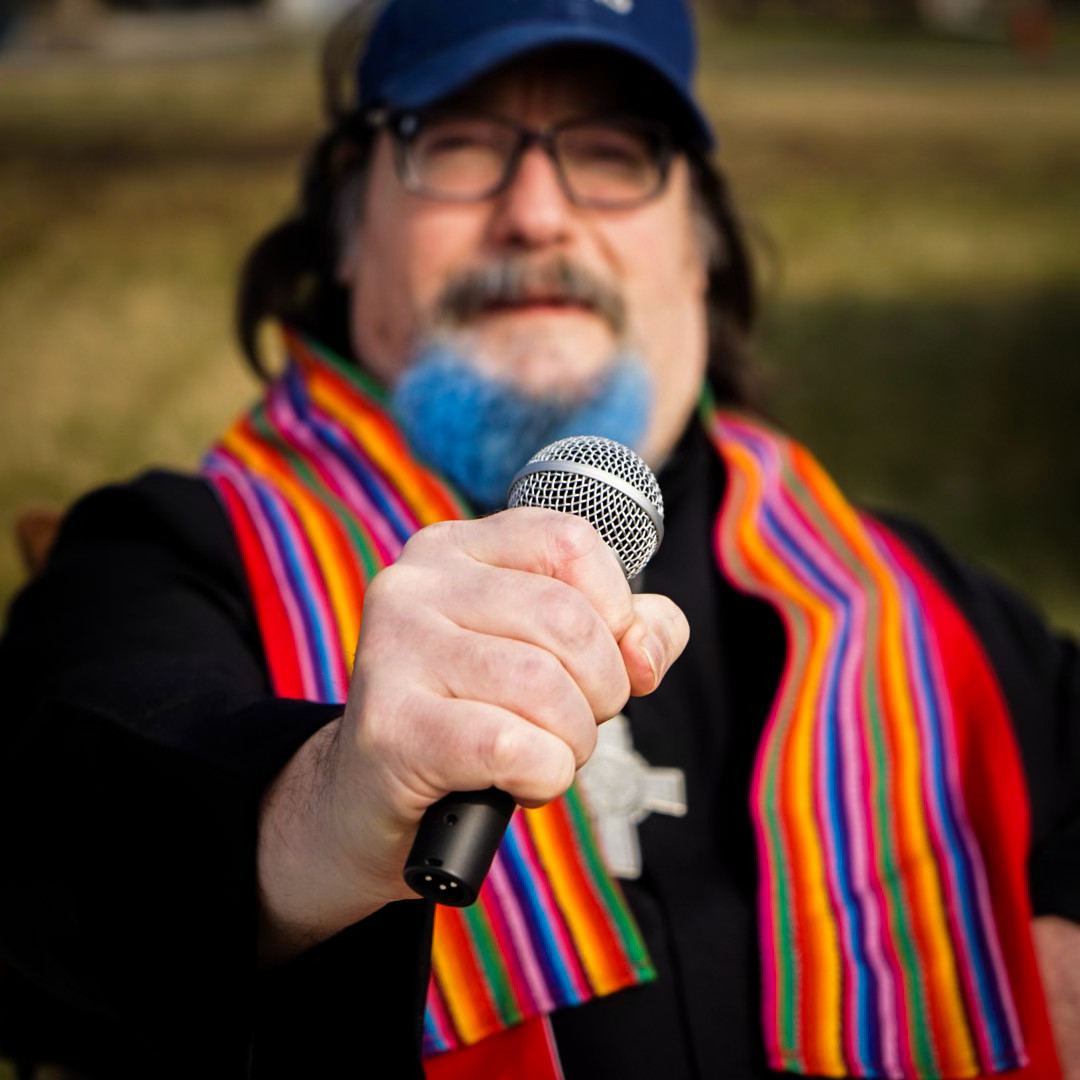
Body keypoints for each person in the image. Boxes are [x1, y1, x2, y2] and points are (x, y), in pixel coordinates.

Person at [0, 0, 1077, 1077]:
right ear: (346, 228)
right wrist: (320, 814)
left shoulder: (921, 605)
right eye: (460, 144)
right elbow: (61, 846)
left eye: (612, 154)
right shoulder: (163, 558)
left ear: (699, 248)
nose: (537, 213)